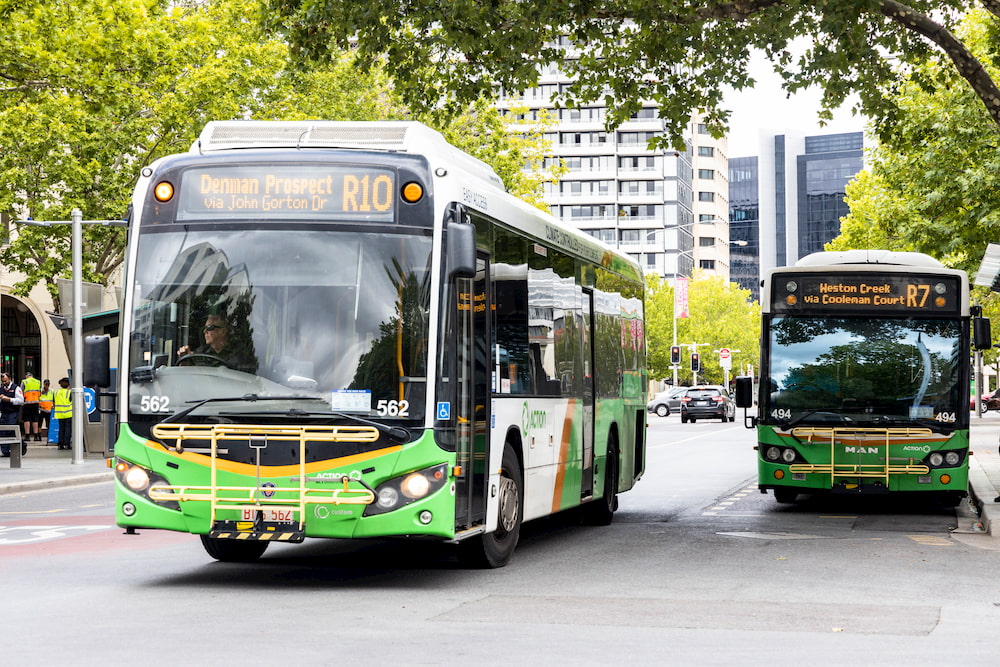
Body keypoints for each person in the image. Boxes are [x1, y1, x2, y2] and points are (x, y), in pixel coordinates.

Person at [177, 314, 256, 371]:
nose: (205, 331)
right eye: (204, 328)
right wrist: (185, 360)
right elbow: (190, 376)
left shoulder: (239, 353)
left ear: (223, 331)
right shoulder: (201, 352)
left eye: (209, 328)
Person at [0, 372, 26, 457]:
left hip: (13, 412)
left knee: (11, 429)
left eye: (6, 381)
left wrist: (10, 400)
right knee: (3, 431)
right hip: (3, 412)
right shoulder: (1, 389)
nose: (4, 383)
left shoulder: (16, 388)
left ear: (10, 379)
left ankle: (22, 446)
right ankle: (5, 451)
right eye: (3, 381)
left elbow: (21, 400)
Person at [20, 372, 41, 442]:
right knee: (35, 419)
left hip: (27, 402)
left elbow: (20, 391)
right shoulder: (38, 382)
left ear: (26, 376)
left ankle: (27, 436)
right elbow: (39, 392)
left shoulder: (24, 381)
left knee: (27, 419)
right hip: (36, 402)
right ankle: (36, 436)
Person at [54, 377, 73, 451]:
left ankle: (60, 444)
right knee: (68, 430)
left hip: (60, 414)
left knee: (61, 429)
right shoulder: (69, 392)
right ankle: (67, 444)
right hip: (68, 413)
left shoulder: (57, 392)